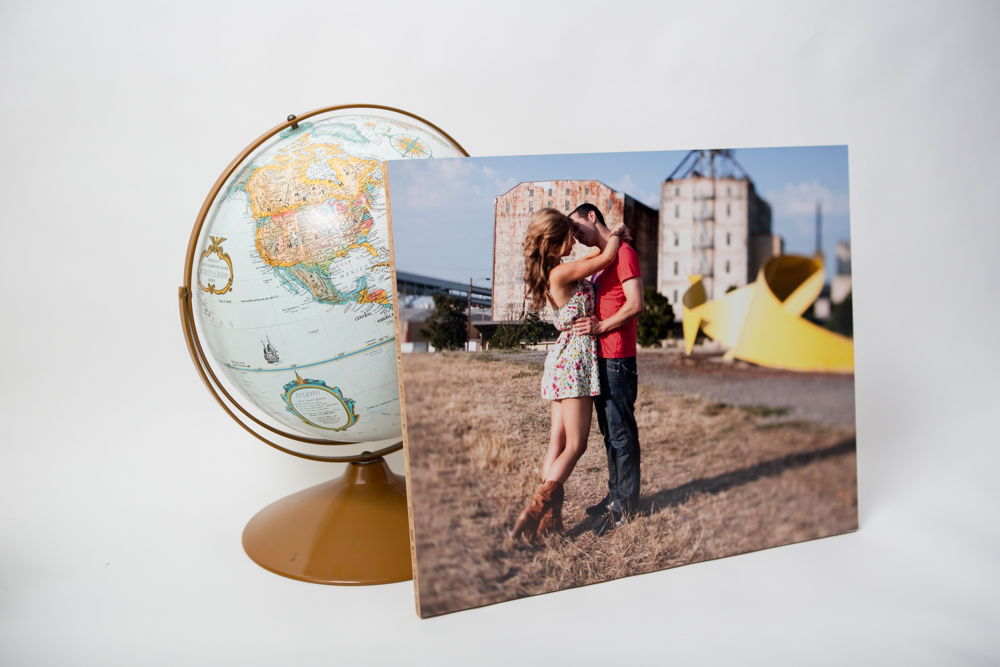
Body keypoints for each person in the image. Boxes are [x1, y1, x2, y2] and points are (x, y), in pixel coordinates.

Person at [511, 208, 629, 541]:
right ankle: (534, 511)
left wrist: (607, 241)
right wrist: (618, 232)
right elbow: (605, 258)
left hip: (562, 360)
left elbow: (595, 255)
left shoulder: (554, 271)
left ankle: (550, 519)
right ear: (554, 240)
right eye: (568, 235)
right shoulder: (561, 274)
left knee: (557, 442)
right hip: (575, 361)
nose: (573, 241)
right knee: (575, 445)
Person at [568, 203, 644, 535]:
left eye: (576, 226)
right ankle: (616, 496)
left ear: (592, 217)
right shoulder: (604, 260)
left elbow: (636, 303)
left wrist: (601, 327)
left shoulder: (624, 252)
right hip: (602, 358)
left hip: (617, 358)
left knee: (622, 433)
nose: (576, 235)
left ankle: (625, 507)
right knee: (610, 433)